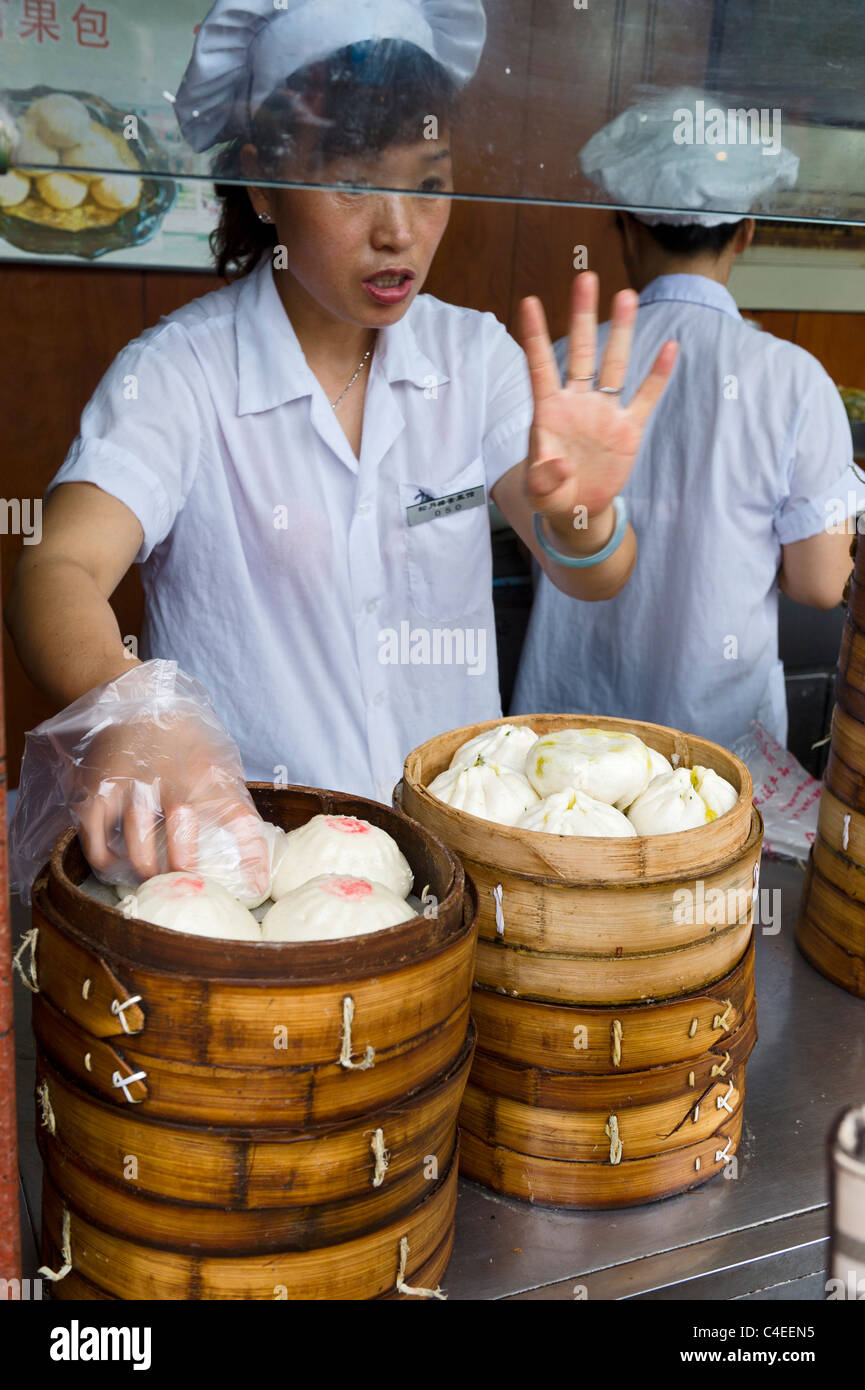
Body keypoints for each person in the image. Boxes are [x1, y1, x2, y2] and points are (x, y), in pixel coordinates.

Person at [5, 1, 677, 886]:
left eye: (429, 182)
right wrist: (136, 713)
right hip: (249, 868)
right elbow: (55, 572)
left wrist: (584, 514)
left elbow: (591, 571)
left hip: (453, 867)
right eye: (354, 183)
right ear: (261, 182)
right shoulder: (180, 374)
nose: (399, 229)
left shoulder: (472, 358)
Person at [512, 87, 864, 752]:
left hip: (563, 739)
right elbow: (819, 584)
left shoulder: (556, 367)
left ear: (625, 227)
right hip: (714, 754)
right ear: (746, 232)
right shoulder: (791, 378)